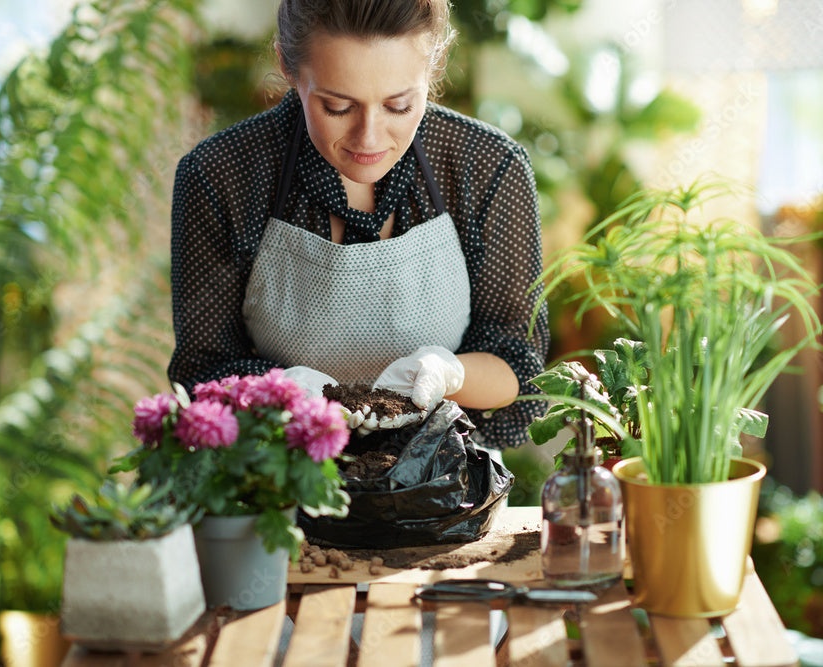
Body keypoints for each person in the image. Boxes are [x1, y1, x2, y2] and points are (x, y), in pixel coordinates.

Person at [167, 0, 549, 451]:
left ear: (435, 64)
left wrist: (450, 373)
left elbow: (519, 366)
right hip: (279, 476)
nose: (369, 138)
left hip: (443, 480)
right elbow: (203, 373)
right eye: (337, 107)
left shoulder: (486, 165)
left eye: (399, 106)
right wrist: (282, 390)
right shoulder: (221, 174)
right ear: (288, 67)